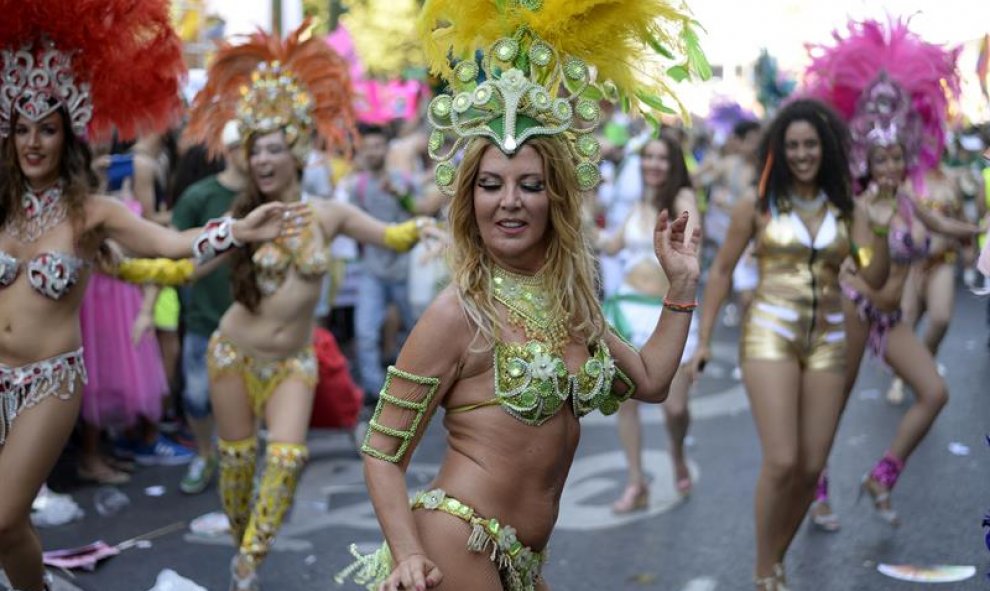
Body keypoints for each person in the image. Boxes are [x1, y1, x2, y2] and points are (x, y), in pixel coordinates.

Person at [335, 1, 708, 589]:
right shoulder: (459, 313)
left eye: (529, 185)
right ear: (470, 201)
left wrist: (682, 287)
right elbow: (381, 451)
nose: (509, 200)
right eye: (490, 185)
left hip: (524, 562)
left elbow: (653, 382)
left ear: (554, 200)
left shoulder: (571, 307)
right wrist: (407, 554)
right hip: (457, 544)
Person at [0, 3, 290, 590]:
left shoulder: (92, 212)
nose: (33, 142)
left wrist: (238, 229)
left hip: (50, 381)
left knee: (4, 521)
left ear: (68, 134)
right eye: (21, 128)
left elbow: (173, 242)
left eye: (47, 128)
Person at [182, 24, 437, 590]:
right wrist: (140, 263)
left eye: (274, 147)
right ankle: (241, 543)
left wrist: (422, 224)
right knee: (239, 465)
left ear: (295, 152)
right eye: (255, 150)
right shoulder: (245, 220)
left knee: (289, 458)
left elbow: (389, 236)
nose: (264, 158)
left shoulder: (328, 213)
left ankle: (249, 564)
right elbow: (186, 264)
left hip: (294, 361)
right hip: (233, 353)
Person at [688, 98, 895, 591]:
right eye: (793, 145)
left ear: (826, 149)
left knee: (809, 466)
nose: (803, 154)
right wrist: (705, 339)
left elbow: (875, 275)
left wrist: (882, 227)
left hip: (827, 339)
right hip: (769, 334)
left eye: (811, 145)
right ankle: (764, 569)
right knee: (782, 460)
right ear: (778, 151)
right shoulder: (757, 207)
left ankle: (774, 557)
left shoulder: (848, 210)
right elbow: (719, 272)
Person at [801, 18, 982, 530]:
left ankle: (881, 476)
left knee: (935, 392)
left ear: (905, 162)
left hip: (889, 318)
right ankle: (816, 490)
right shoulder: (861, 207)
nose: (889, 167)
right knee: (833, 407)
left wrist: (977, 230)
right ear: (867, 161)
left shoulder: (906, 200)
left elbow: (942, 222)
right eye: (880, 160)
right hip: (858, 310)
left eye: (896, 159)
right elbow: (867, 270)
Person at [599, 135, 702, 510]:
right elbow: (611, 246)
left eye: (662, 158)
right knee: (626, 402)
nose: (653, 165)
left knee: (675, 408)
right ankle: (636, 481)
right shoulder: (638, 206)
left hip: (667, 313)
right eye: (648, 158)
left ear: (674, 163)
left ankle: (675, 449)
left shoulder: (682, 202)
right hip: (626, 310)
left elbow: (690, 252)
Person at [173, 121, 249, 494]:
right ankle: (204, 454)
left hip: (253, 321)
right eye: (242, 146)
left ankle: (234, 456)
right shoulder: (199, 196)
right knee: (197, 396)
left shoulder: (267, 197)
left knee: (248, 397)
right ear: (228, 150)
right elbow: (171, 253)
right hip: (205, 317)